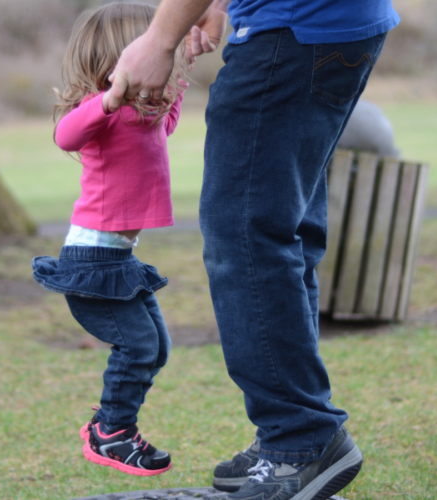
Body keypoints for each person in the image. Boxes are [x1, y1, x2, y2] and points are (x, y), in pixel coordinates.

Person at [106, 0, 399, 498]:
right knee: (282, 230)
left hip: (292, 30)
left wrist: (159, 40)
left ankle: (300, 439)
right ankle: (292, 432)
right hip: (334, 25)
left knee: (245, 234)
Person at [31, 2, 189, 477]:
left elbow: (166, 123)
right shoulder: (100, 112)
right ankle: (113, 433)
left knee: (157, 348)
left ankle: (110, 422)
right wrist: (109, 98)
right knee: (139, 347)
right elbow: (64, 136)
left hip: (118, 259)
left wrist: (182, 68)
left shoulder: (142, 117)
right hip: (92, 261)